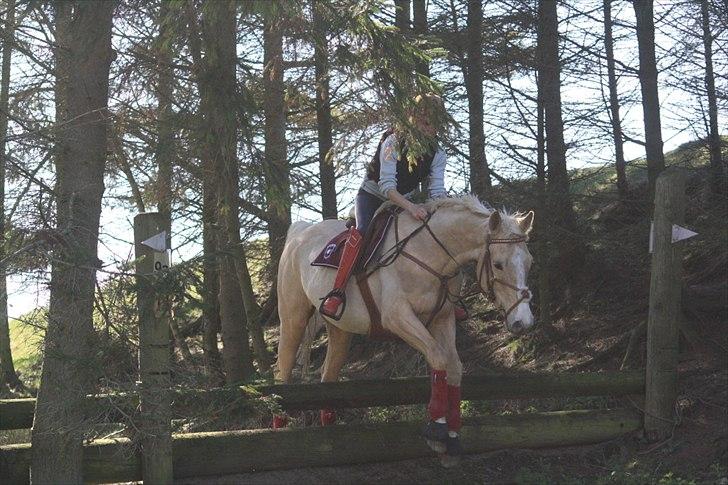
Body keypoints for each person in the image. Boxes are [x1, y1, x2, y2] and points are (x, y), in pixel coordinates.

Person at [319, 93, 468, 321]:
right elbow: (387, 186)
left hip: (405, 201)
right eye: (426, 121)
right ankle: (337, 292)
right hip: (372, 196)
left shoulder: (438, 153)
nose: (431, 128)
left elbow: (437, 190)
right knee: (361, 231)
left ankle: (450, 299)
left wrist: (445, 209)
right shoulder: (392, 141)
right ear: (414, 118)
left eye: (435, 123)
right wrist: (411, 208)